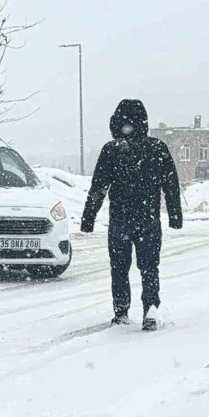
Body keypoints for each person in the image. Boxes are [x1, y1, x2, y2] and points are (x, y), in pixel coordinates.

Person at [81, 99, 182, 331]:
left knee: (119, 267)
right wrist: (175, 215)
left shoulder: (111, 150)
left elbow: (99, 187)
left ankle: (121, 311)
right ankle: (150, 309)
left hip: (120, 219)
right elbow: (171, 184)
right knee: (149, 266)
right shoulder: (158, 148)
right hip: (148, 218)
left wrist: (89, 217)